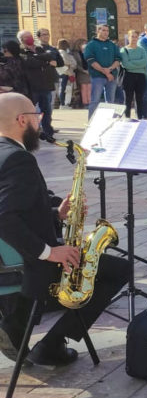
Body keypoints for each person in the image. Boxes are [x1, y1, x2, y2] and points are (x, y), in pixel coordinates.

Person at [0, 93, 127, 366]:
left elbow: (14, 208)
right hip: (29, 263)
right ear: (22, 120)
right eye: (37, 117)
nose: (40, 122)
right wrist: (50, 252)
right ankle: (51, 344)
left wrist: (56, 213)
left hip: (10, 257)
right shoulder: (18, 160)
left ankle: (16, 322)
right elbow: (4, 218)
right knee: (118, 271)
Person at [18, 30, 58, 142]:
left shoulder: (39, 48)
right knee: (30, 111)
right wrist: (45, 61)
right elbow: (29, 62)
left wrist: (40, 58)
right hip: (32, 86)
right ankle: (30, 133)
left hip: (46, 85)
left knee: (47, 111)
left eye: (30, 36)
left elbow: (51, 57)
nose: (29, 38)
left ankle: (48, 133)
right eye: (26, 37)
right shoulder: (21, 51)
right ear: (21, 39)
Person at [83, 25, 121, 116]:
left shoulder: (112, 45)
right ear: (97, 31)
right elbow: (91, 60)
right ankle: (91, 124)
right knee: (95, 101)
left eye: (107, 31)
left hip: (112, 77)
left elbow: (118, 60)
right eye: (103, 30)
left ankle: (109, 123)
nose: (106, 32)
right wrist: (106, 72)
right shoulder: (91, 45)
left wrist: (110, 69)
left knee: (111, 102)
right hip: (97, 77)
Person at [119, 30, 147, 120]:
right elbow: (126, 64)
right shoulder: (124, 50)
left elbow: (145, 62)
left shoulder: (142, 50)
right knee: (128, 99)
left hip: (141, 77)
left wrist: (132, 62)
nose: (134, 39)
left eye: (136, 37)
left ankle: (140, 118)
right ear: (128, 38)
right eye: (132, 36)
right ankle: (127, 118)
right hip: (128, 76)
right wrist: (137, 64)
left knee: (140, 99)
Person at [55, 39, 80, 109]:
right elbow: (65, 63)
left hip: (64, 72)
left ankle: (65, 103)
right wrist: (69, 65)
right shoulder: (62, 52)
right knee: (64, 89)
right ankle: (63, 104)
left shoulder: (63, 52)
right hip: (65, 73)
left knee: (65, 89)